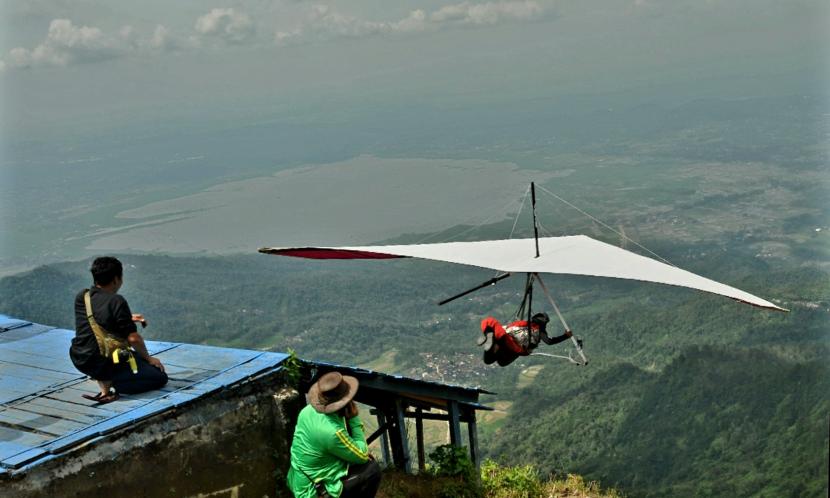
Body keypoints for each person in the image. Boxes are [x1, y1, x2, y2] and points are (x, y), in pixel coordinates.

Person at [70, 256, 168, 403]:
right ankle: (114, 384)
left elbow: (94, 321)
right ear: (116, 279)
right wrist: (149, 358)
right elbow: (133, 339)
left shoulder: (83, 297)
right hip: (102, 361)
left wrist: (126, 317)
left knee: (129, 361)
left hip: (80, 358)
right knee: (159, 377)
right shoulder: (117, 300)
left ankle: (105, 383)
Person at [287, 371, 381, 498]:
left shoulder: (306, 411)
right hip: (314, 491)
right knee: (372, 469)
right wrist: (354, 418)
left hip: (300, 480)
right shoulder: (333, 432)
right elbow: (362, 455)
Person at [479, 312, 572, 366]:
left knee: (488, 322)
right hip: (514, 348)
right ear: (544, 323)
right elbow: (549, 341)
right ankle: (493, 343)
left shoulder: (524, 323)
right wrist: (565, 336)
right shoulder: (540, 331)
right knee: (501, 362)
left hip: (503, 337)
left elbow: (510, 327)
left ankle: (491, 338)